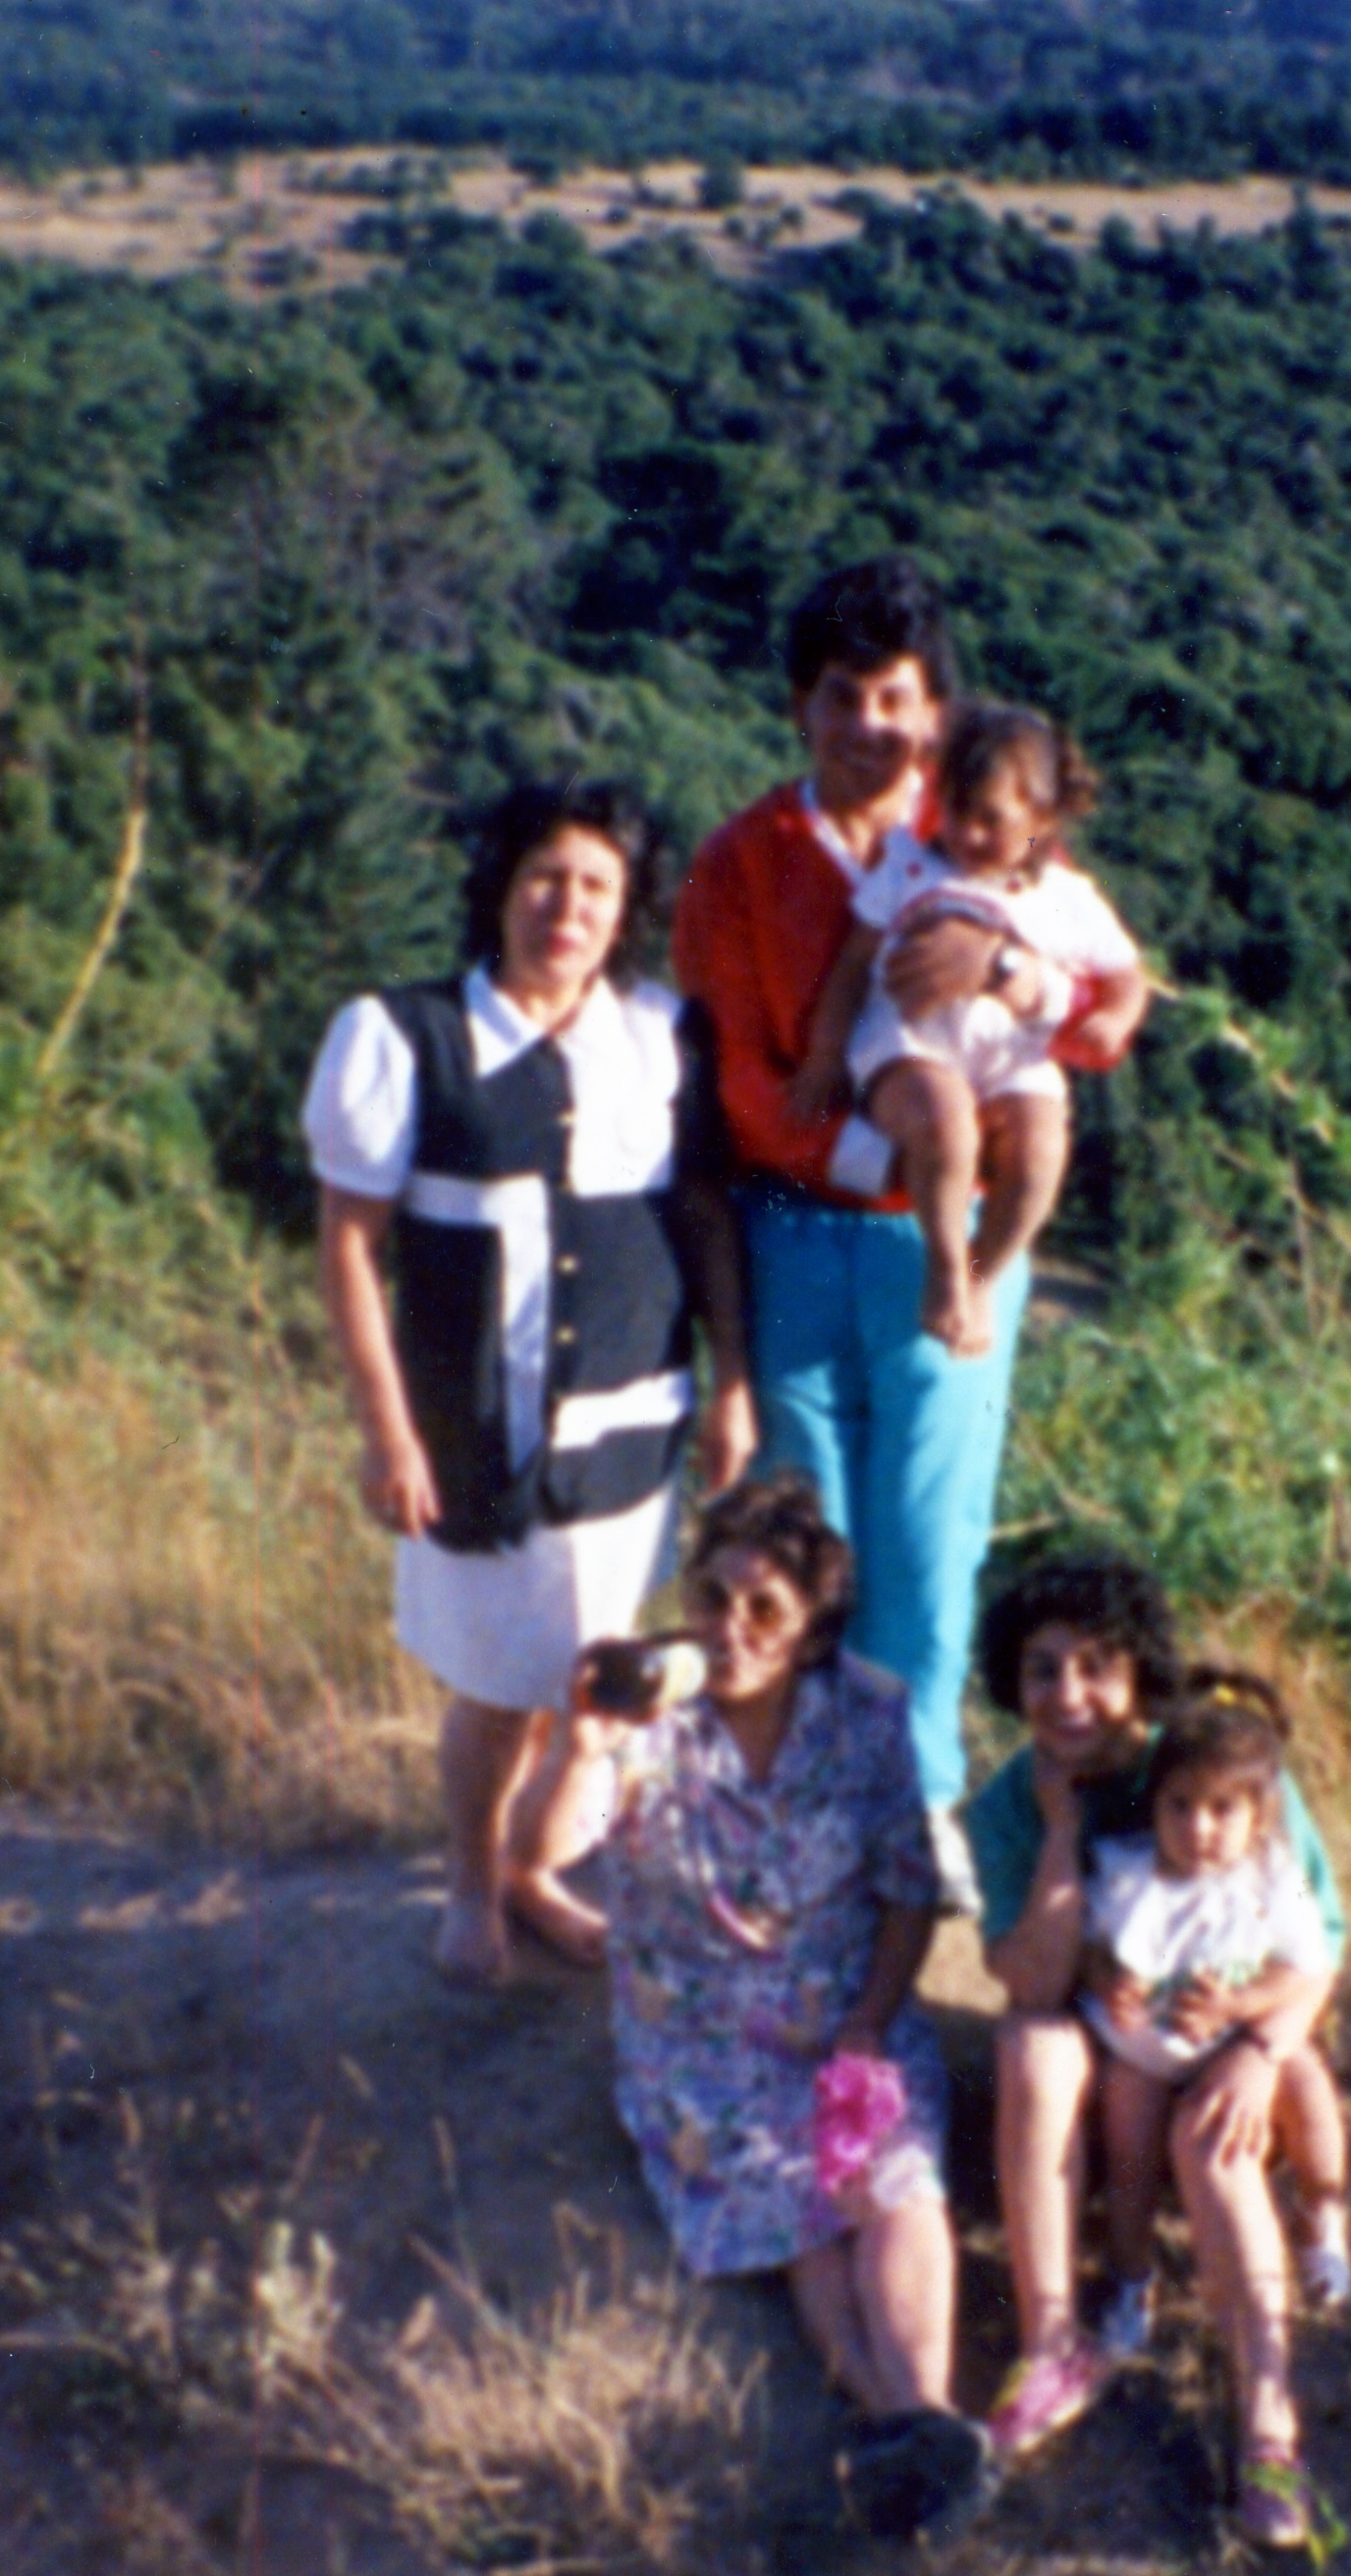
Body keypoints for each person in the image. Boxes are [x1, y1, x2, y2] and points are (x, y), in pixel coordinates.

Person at [672, 557, 1127, 1875]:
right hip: (798, 1237)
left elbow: (1108, 1011)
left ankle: (911, 1827)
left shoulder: (987, 828)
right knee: (797, 1556)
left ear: (935, 710)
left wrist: (1016, 972)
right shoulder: (741, 864)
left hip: (952, 1254)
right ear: (801, 708)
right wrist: (732, 1355)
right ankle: (785, 1813)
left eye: (898, 696)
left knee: (929, 1561)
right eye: (843, 696)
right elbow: (732, 1097)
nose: (873, 724)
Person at [302, 779, 757, 1988]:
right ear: (501, 890)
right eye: (544, 879)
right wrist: (385, 1429)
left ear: (626, 911)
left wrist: (730, 1386)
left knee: (598, 1679)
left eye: (597, 886)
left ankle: (531, 1871)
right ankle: (470, 1886)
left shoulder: (660, 1036)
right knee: (501, 1686)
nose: (568, 907)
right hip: (474, 1431)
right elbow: (349, 1244)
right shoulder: (405, 1036)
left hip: (628, 1425)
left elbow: (702, 1215)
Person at [517, 1474, 996, 2540]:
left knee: (891, 2176)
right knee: (799, 2209)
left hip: (842, 2010)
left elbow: (909, 1888)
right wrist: (577, 1750)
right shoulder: (650, 1720)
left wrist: (872, 2016)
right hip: (703, 2033)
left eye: (762, 1610)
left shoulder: (866, 1715)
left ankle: (915, 2427)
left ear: (810, 1631)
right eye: (712, 1597)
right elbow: (540, 1852)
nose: (727, 1629)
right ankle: (919, 2428)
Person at [964, 1558, 1350, 2547]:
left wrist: (1262, 2050)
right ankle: (1052, 2343)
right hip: (1110, 2061)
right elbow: (1031, 1981)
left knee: (1214, 2144)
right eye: (1042, 1670)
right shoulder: (1013, 1800)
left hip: (1227, 2042)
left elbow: (1326, 1940)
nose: (1068, 1695)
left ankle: (1271, 2433)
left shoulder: (1218, 1762)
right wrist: (1059, 1835)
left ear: (1139, 1672)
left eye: (1095, 1667)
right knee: (1030, 2047)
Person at [787, 700, 1149, 1358]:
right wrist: (824, 1051)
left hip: (1011, 1053)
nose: (967, 833)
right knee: (946, 1123)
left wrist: (1114, 1015)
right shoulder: (911, 864)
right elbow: (853, 962)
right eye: (956, 811)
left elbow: (1127, 973)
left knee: (1042, 1152)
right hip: (912, 1041)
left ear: (1040, 822)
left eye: (992, 820)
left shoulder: (1067, 897)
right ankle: (946, 1266)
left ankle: (983, 1274)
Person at [1080, 1672, 1348, 2369]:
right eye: (1179, 1806)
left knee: (1309, 2087)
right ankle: (1130, 2274)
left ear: (1259, 1816)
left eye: (1221, 1809)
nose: (1197, 1827)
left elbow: (1303, 1964)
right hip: (1147, 2047)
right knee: (1128, 2122)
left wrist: (1238, 2005)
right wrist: (1110, 1984)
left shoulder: (1269, 1879)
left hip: (1236, 2043)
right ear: (1154, 1804)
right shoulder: (1129, 1875)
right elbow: (1088, 1949)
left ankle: (1323, 2213)